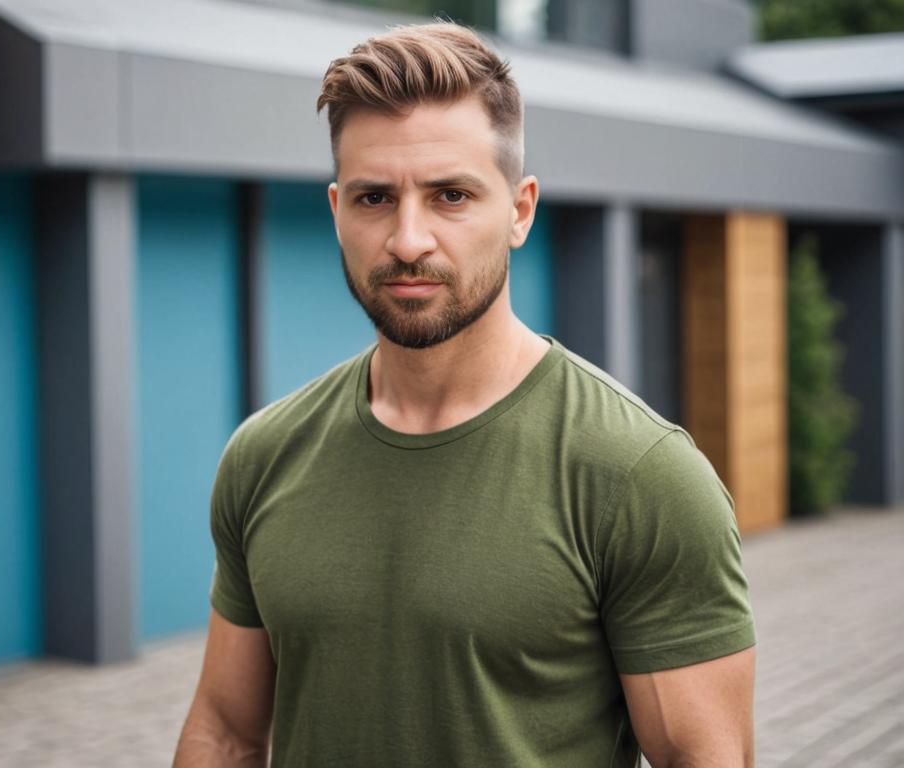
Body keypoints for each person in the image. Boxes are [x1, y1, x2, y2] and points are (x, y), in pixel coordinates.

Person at [174, 21, 755, 768]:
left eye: (450, 195)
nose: (408, 239)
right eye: (374, 198)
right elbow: (223, 732)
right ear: (335, 210)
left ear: (519, 210)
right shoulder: (264, 456)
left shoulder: (639, 475)